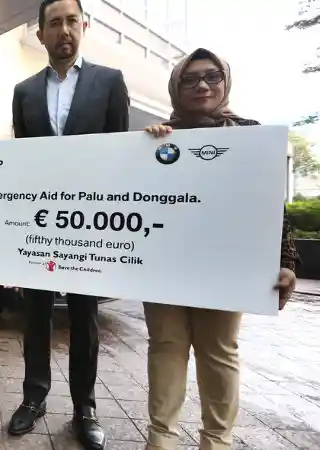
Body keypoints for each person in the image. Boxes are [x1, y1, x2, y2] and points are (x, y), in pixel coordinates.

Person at [141, 47, 300, 450]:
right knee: (166, 348)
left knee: (218, 352)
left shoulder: (250, 135)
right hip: (165, 265)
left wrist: (286, 261)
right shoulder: (158, 137)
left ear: (225, 82)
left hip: (226, 266)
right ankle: (160, 441)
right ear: (176, 87)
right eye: (190, 78)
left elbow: (270, 204)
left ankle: (217, 442)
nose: (202, 85)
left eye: (212, 76)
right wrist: (144, 148)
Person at [8, 0, 129, 448]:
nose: (64, 30)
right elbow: (22, 162)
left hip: (89, 224)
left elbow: (121, 155)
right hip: (40, 224)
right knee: (36, 314)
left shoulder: (110, 81)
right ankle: (33, 397)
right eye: (54, 22)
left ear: (84, 26)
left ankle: (85, 407)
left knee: (85, 318)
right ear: (40, 33)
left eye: (72, 21)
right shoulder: (23, 91)